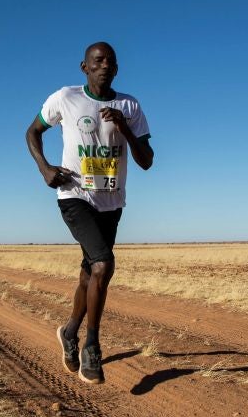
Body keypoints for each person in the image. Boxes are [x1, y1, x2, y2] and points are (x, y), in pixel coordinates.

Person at [25, 41, 154, 384]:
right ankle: (92, 347)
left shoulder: (130, 105)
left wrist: (125, 127)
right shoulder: (65, 98)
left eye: (110, 62)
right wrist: (44, 169)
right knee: (103, 264)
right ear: (84, 67)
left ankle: (69, 332)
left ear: (117, 68)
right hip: (74, 195)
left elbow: (147, 161)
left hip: (111, 201)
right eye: (97, 61)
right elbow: (33, 132)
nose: (104, 66)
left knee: (89, 273)